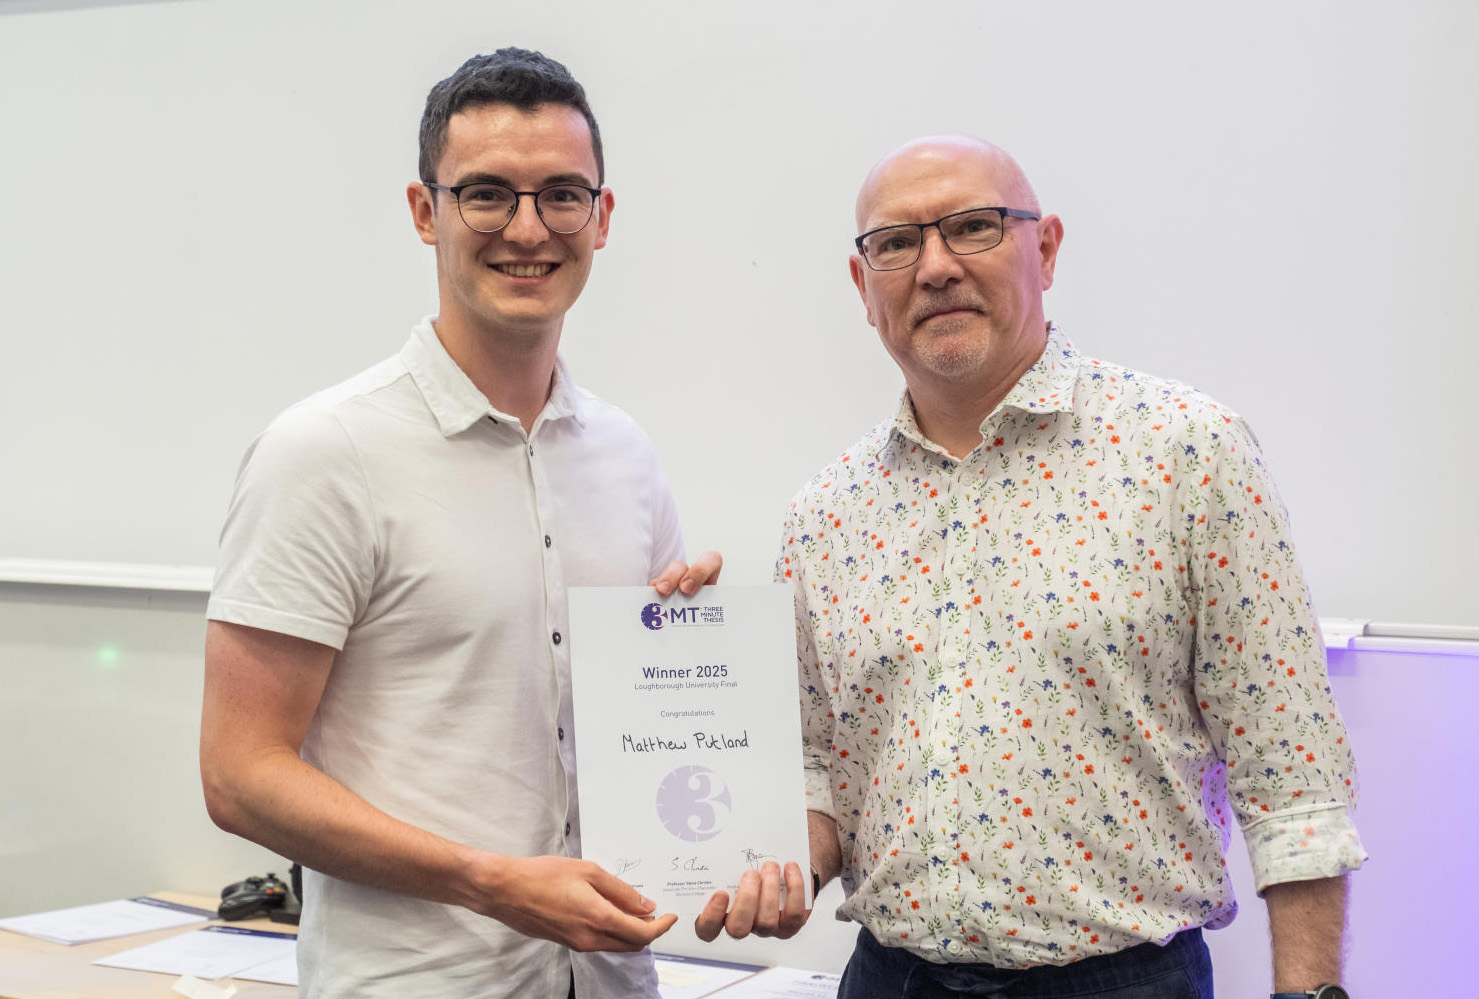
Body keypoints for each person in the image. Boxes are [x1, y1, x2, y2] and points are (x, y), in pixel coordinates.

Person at [695, 134, 1366, 999]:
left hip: (1123, 984)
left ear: (1043, 249)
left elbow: (1290, 771)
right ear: (864, 288)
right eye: (895, 243)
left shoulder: (1186, 454)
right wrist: (778, 864)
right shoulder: (824, 515)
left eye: (972, 227)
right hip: (890, 982)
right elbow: (818, 765)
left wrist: (1307, 994)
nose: (933, 266)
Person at [199, 48, 721, 999]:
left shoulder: (625, 453)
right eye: (486, 194)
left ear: (601, 218)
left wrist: (691, 662)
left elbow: (642, 744)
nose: (528, 228)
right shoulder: (324, 452)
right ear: (423, 211)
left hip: (610, 981)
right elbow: (240, 774)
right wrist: (489, 882)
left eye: (562, 195)